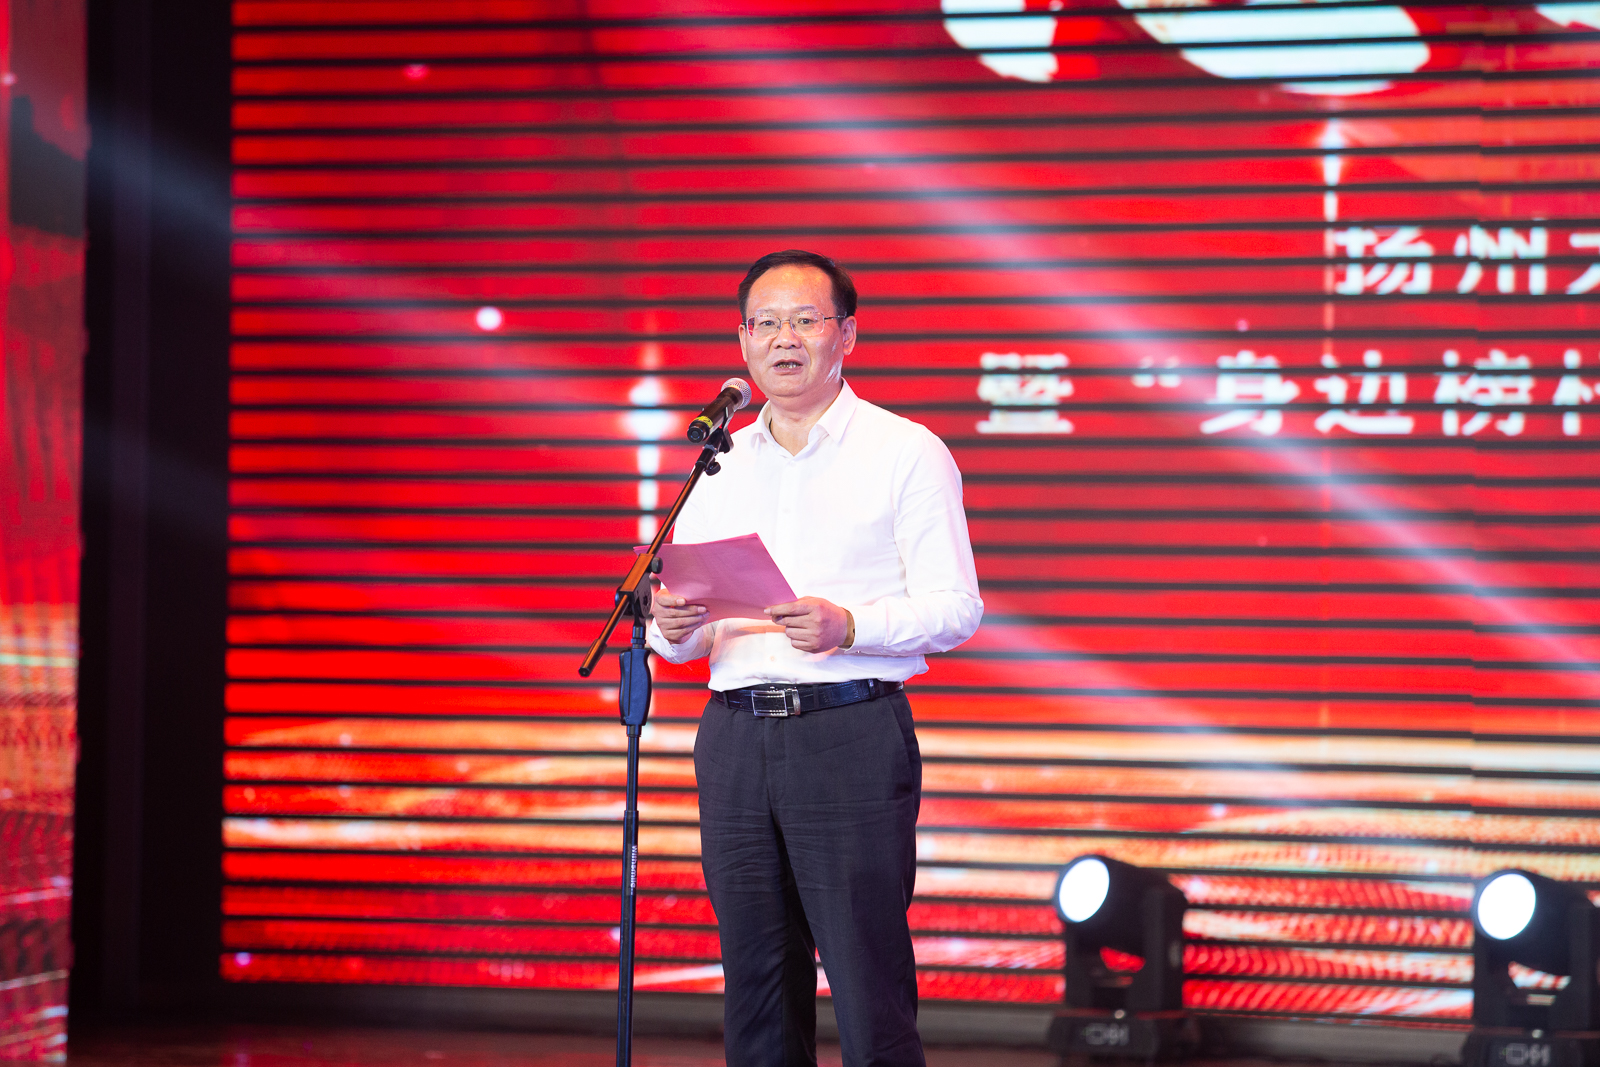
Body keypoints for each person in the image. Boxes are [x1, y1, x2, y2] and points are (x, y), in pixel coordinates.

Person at [647, 249, 984, 1067]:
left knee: (868, 984)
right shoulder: (717, 463)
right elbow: (686, 637)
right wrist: (671, 622)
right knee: (756, 983)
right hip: (733, 739)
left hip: (847, 735)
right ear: (742, 341)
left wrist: (849, 624)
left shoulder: (905, 450)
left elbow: (956, 608)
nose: (784, 338)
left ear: (847, 335)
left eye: (805, 319)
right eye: (765, 322)